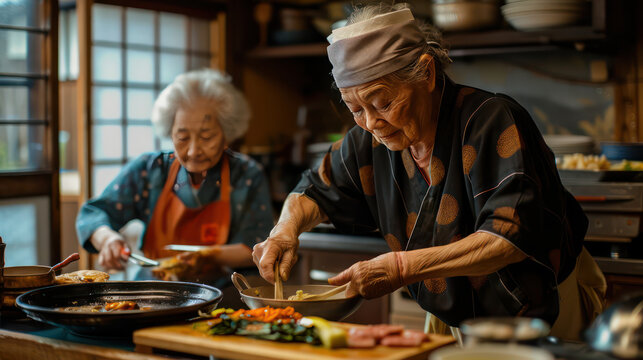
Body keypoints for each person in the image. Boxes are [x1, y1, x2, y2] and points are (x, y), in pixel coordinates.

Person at [252, 4, 605, 340]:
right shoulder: (370, 139)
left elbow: (508, 238)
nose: (371, 123)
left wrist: (402, 268)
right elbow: (314, 189)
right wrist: (284, 230)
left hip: (537, 314)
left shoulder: (491, 121)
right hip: (451, 313)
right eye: (355, 109)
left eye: (384, 103)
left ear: (427, 73)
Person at [76, 69, 274, 286]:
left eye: (207, 137)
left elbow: (254, 246)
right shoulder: (150, 169)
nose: (193, 151)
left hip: (220, 291)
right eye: (182, 137)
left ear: (227, 134)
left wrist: (206, 256)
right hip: (153, 289)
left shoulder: (246, 174)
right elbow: (95, 213)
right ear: (169, 132)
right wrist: (108, 239)